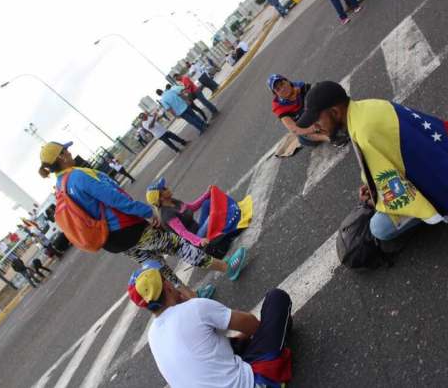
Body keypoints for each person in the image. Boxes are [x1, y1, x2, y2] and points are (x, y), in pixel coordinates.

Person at [296, 81, 448, 241]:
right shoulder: (365, 108)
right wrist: (371, 184)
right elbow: (386, 162)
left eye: (318, 119)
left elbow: (396, 192)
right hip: (430, 158)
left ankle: (437, 206)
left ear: (335, 111)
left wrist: (376, 200)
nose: (316, 126)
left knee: (379, 229)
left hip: (432, 179)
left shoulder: (364, 132)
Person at [38, 141, 248, 298]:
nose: (70, 153)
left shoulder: (60, 187)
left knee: (156, 264)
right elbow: (114, 198)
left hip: (112, 241)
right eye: (66, 150)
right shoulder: (78, 176)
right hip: (127, 227)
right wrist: (146, 212)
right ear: (63, 156)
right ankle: (226, 267)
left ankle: (192, 297)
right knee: (178, 246)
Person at [128, 261, 293, 388]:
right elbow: (251, 324)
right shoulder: (194, 308)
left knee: (224, 345)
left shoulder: (153, 335)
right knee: (276, 299)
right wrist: (193, 303)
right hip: (253, 382)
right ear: (167, 287)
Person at [146, 178, 252, 249]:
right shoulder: (166, 215)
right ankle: (229, 225)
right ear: (160, 198)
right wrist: (199, 241)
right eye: (164, 189)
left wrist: (207, 194)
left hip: (198, 229)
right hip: (196, 238)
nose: (167, 188)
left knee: (207, 203)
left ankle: (227, 219)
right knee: (212, 216)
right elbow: (182, 233)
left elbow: (192, 207)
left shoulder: (173, 201)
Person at [267, 74, 348, 147]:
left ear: (287, 81)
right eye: (278, 89)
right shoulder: (278, 107)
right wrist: (312, 129)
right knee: (303, 133)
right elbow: (294, 129)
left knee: (324, 106)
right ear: (276, 94)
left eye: (282, 84)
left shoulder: (301, 86)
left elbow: (319, 94)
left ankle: (339, 123)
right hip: (304, 124)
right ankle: (331, 138)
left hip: (312, 113)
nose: (282, 89)